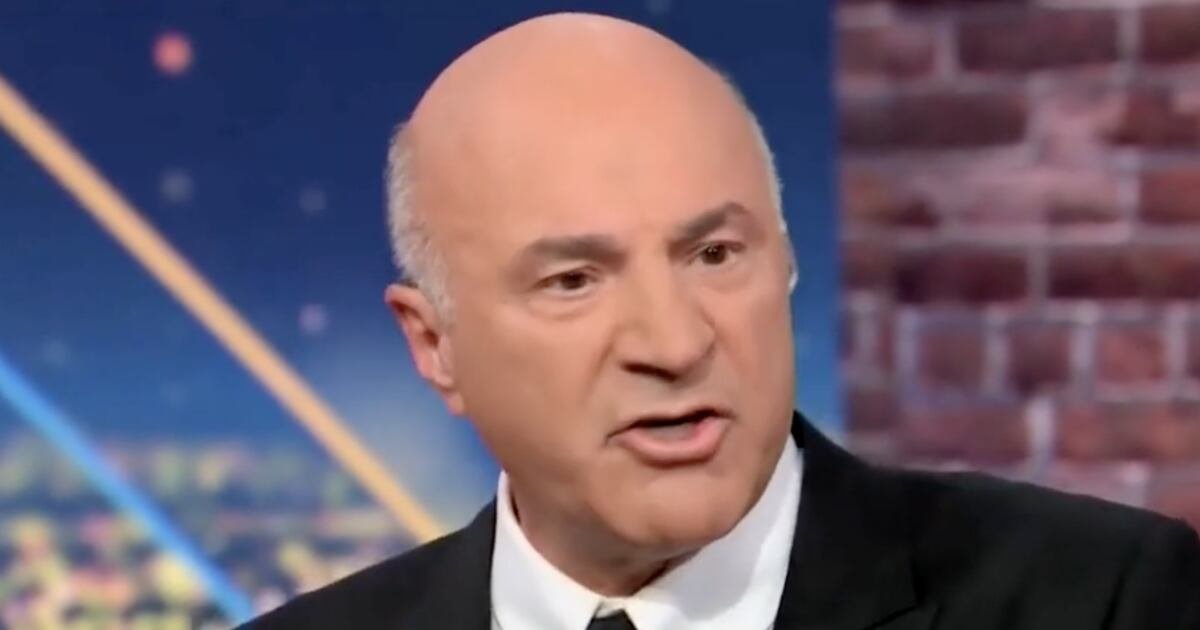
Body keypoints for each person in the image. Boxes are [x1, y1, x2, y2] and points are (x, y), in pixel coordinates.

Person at [242, 12, 1200, 630]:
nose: (675, 344)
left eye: (714, 254)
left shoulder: (1103, 601)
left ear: (784, 259)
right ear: (434, 346)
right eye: (574, 280)